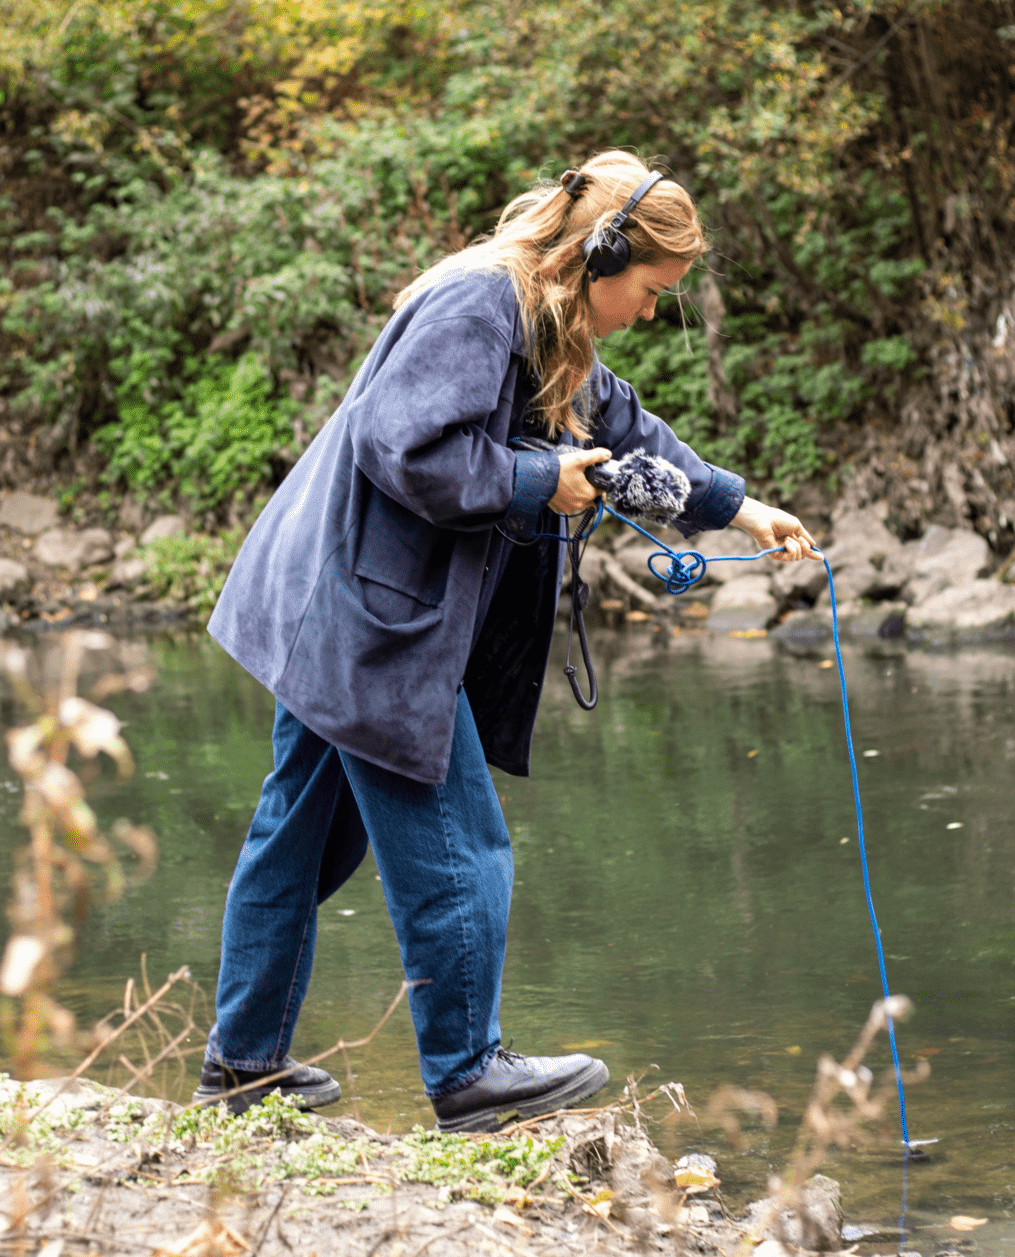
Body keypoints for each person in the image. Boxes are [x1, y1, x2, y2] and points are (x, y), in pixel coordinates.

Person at [200, 151, 817, 1132]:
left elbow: (632, 439)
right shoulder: (480, 304)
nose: (650, 311)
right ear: (601, 254)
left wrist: (744, 509)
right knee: (458, 840)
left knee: (296, 842)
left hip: (334, 601)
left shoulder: (545, 321)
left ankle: (242, 1064)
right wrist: (540, 482)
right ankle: (468, 1071)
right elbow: (407, 450)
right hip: (367, 614)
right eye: (651, 291)